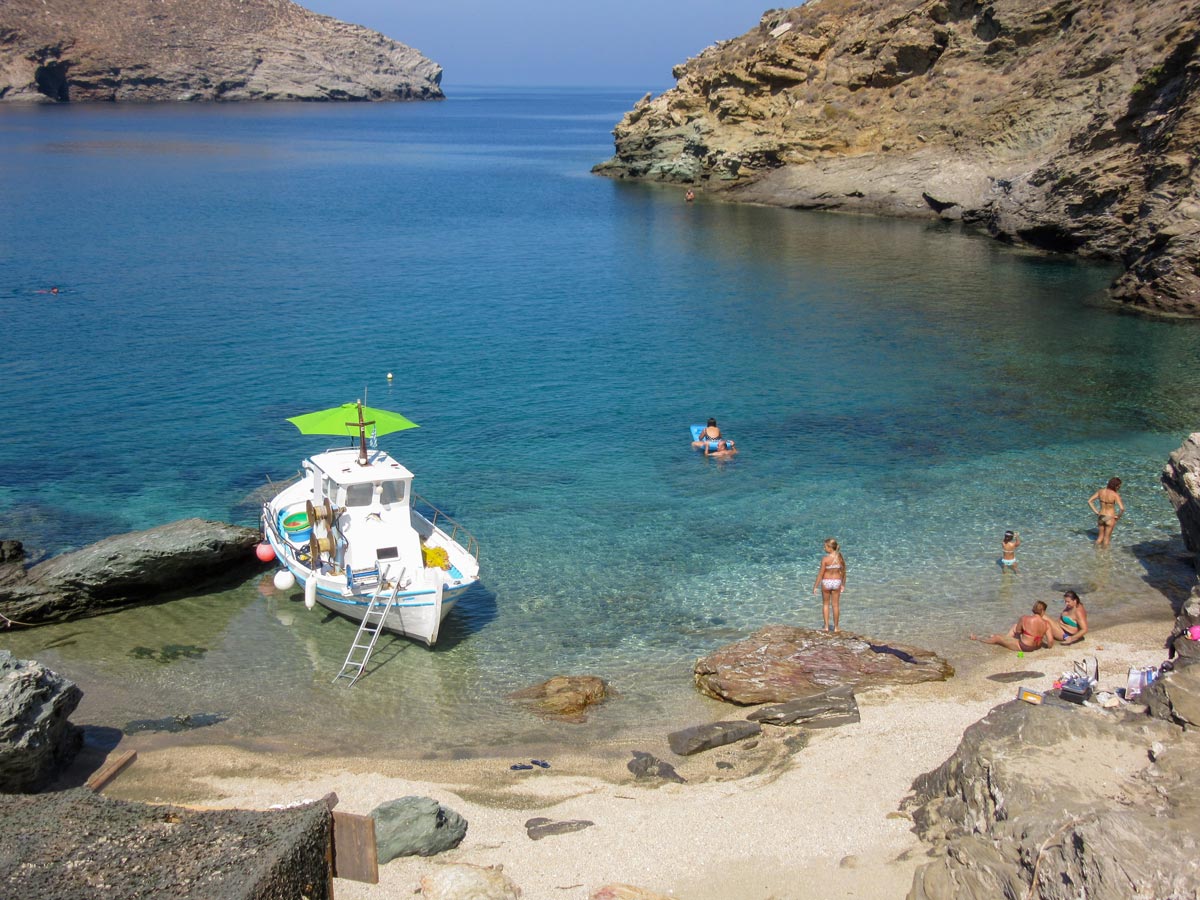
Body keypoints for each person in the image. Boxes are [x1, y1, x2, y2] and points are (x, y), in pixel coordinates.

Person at [970, 601, 1053, 652]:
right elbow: (1050, 642)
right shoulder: (1046, 623)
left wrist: (1023, 636)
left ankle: (977, 638)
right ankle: (1005, 639)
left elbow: (1018, 631)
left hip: (1025, 647)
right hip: (1036, 646)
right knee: (1014, 627)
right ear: (1042, 611)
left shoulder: (1025, 618)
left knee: (997, 638)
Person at [812, 538, 846, 632]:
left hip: (826, 582)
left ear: (830, 548)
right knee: (835, 605)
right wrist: (843, 584)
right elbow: (843, 572)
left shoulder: (825, 559)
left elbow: (821, 574)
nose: (824, 548)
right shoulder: (840, 558)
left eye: (825, 546)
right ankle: (836, 627)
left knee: (826, 604)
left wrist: (815, 586)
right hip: (837, 582)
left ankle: (826, 627)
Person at [1088, 477, 1124, 548]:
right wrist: (1118, 517)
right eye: (1119, 486)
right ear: (1116, 486)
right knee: (1106, 539)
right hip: (1110, 517)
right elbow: (1122, 508)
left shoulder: (1100, 491)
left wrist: (1096, 512)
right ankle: (1105, 556)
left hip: (1101, 516)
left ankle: (1095, 551)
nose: (1119, 487)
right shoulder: (1115, 495)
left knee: (1100, 537)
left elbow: (1089, 501)